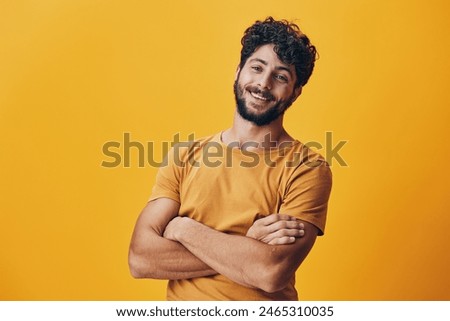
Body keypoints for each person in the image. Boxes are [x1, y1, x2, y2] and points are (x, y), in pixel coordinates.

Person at [128, 17, 332, 300]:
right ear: (238, 72)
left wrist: (183, 229)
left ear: (295, 93)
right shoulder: (185, 156)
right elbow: (141, 258)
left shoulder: (307, 168)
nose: (263, 83)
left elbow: (270, 272)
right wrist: (247, 245)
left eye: (281, 76)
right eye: (257, 68)